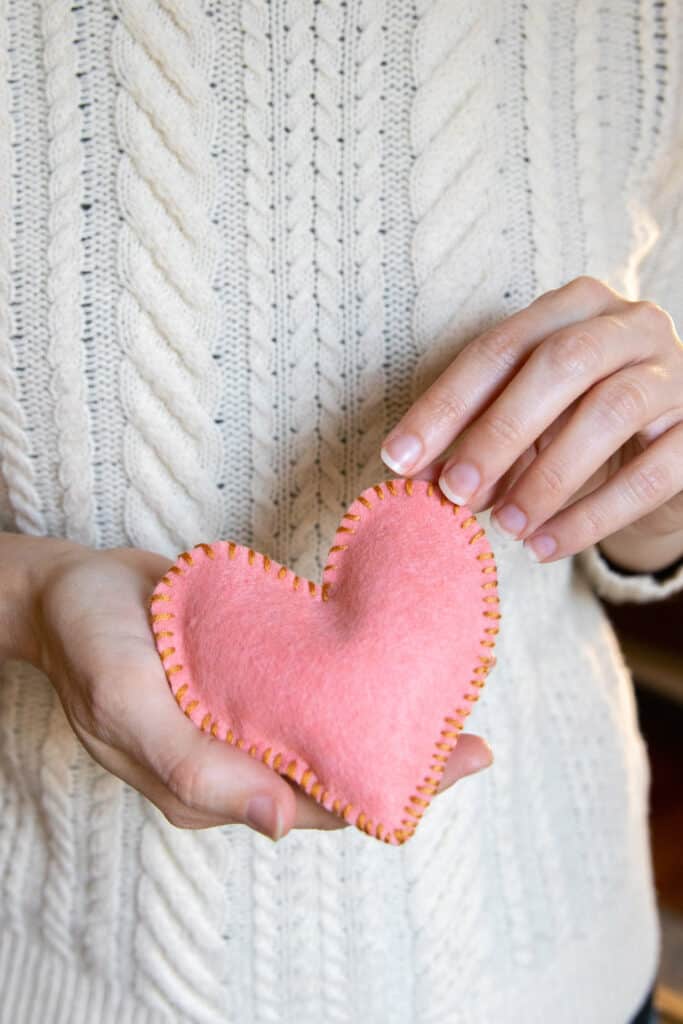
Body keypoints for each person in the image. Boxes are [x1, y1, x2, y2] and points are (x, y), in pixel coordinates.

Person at [1, 2, 682, 1021]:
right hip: (72, 968)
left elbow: (645, 491)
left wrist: (651, 501)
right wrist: (26, 599)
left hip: (565, 956)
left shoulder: (639, 26)